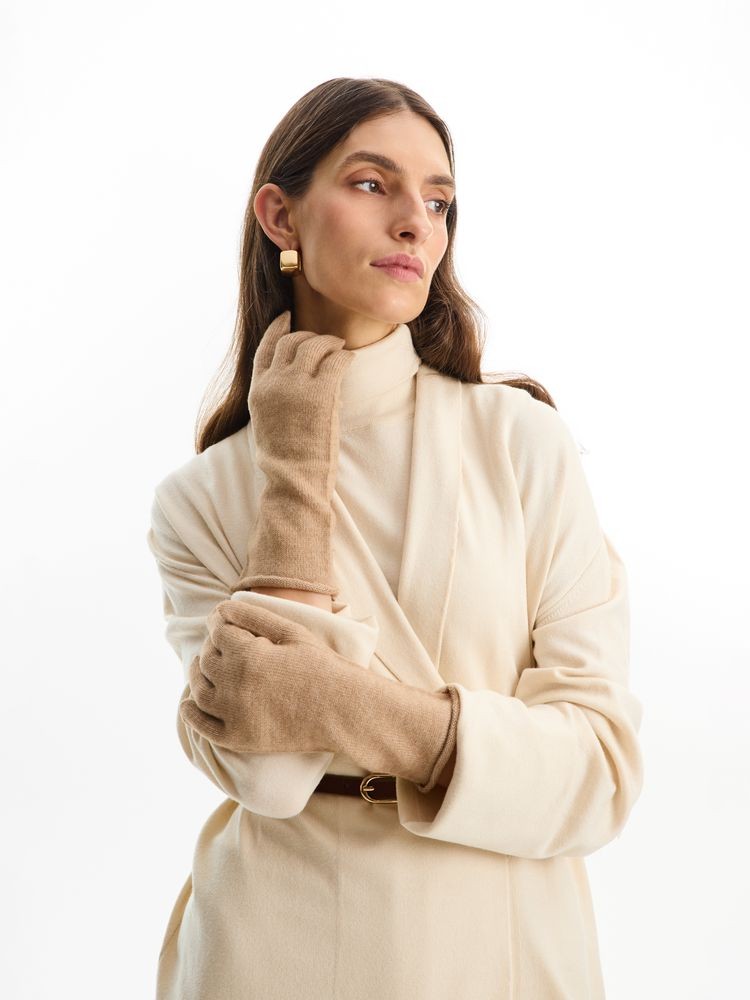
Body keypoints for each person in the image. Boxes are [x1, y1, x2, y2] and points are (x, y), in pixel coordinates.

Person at [146, 76, 645, 1000]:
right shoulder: (202, 500)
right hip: (275, 945)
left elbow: (599, 773)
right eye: (373, 184)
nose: (416, 221)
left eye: (439, 200)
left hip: (502, 938)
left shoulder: (520, 441)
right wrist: (296, 466)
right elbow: (270, 776)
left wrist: (350, 707)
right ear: (281, 216)